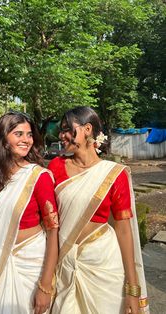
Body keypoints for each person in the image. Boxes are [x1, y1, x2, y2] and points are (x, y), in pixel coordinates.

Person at [48, 106, 149, 314]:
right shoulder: (55, 167)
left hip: (103, 264)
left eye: (67, 129)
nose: (62, 135)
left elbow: (124, 229)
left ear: (87, 129)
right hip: (65, 264)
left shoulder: (114, 174)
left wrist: (132, 288)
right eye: (61, 129)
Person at [0, 111, 59, 314]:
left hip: (30, 264)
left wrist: (45, 285)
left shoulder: (38, 177)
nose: (26, 140)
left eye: (29, 134)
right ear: (3, 138)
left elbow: (53, 232)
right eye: (18, 134)